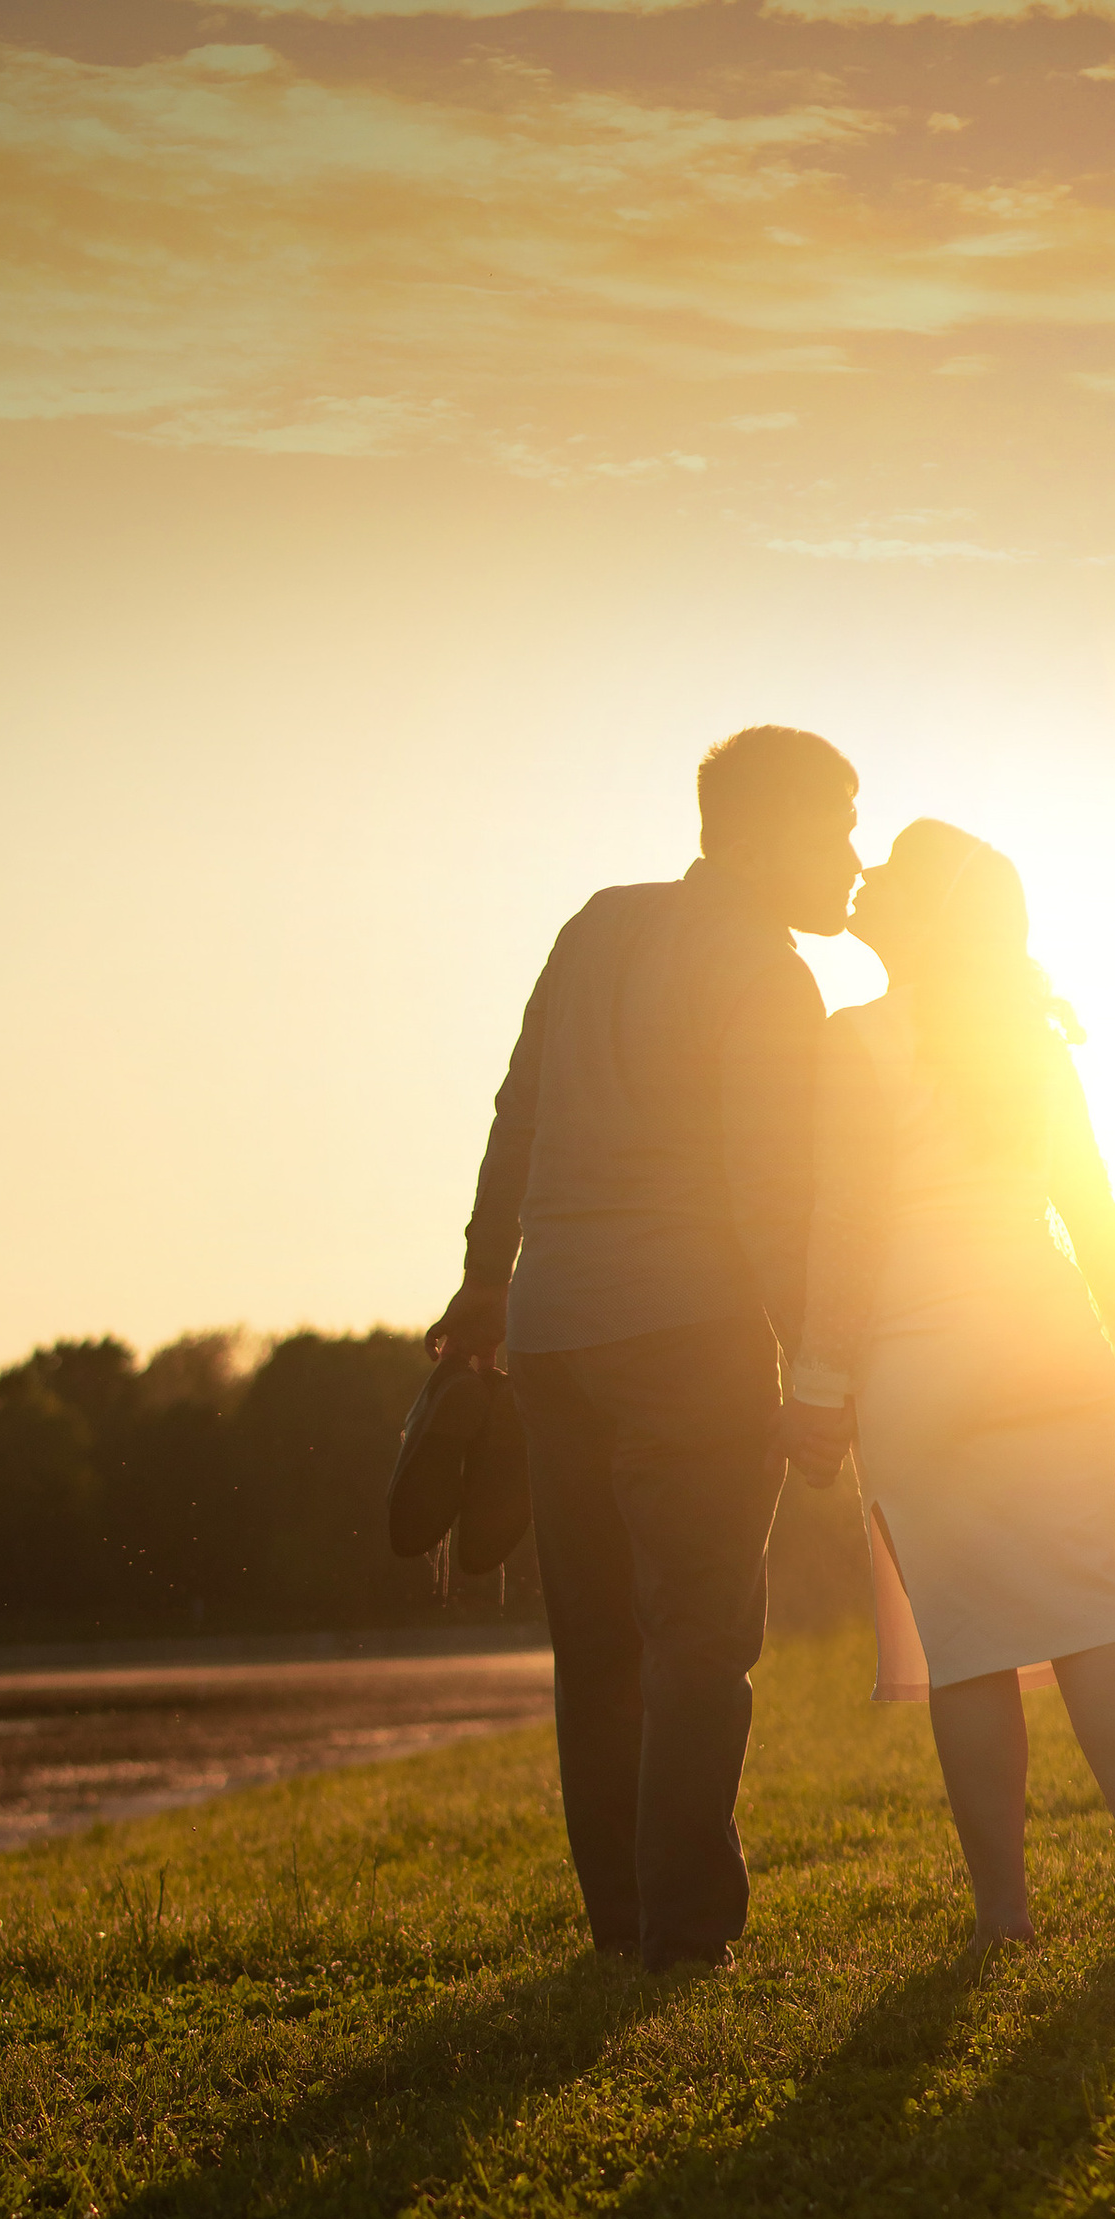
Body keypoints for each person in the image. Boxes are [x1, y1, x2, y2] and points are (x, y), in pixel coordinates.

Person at [431, 726, 860, 1968]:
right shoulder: (770, 978)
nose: (850, 855)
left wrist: (480, 1282)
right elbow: (770, 1196)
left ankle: (622, 1924)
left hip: (556, 1336)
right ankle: (683, 1932)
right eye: (835, 827)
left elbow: (518, 1109)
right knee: (700, 1638)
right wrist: (817, 1367)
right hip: (690, 1335)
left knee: (602, 1643)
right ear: (768, 831)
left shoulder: (596, 925)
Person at [781, 819, 1115, 1952]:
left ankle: (1003, 1917)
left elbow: (844, 1230)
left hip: (921, 1361)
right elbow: (1093, 1211)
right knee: (1091, 1606)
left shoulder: (857, 1041)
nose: (864, 879)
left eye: (889, 875)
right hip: (1054, 1343)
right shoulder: (1035, 1046)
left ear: (921, 913)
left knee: (968, 1646)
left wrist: (818, 1385)